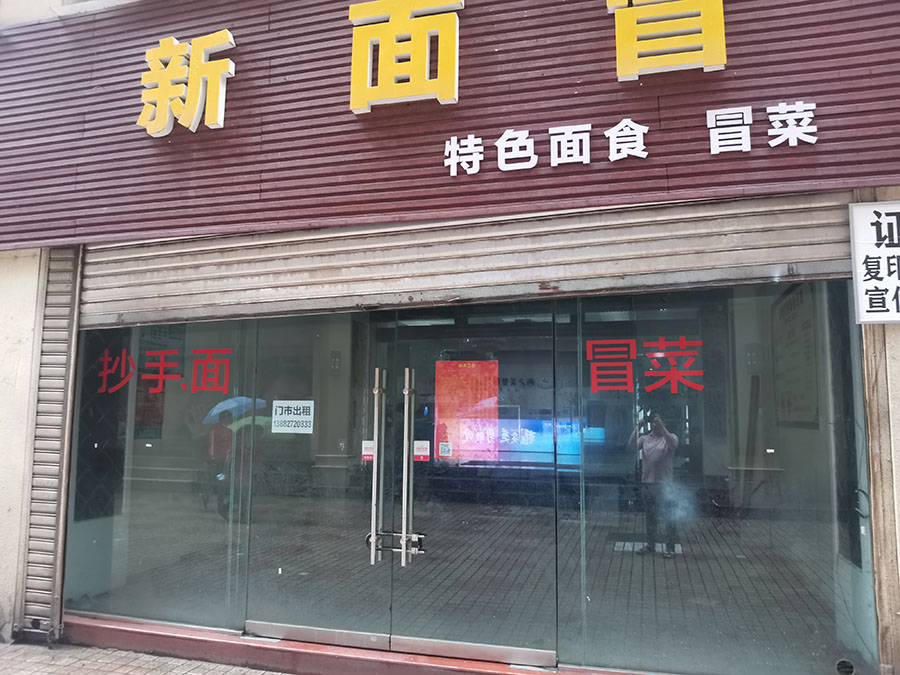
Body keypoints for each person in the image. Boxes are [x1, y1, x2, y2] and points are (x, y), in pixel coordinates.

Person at [629, 413, 679, 558]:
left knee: (669, 516)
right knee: (650, 516)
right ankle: (650, 545)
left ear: (664, 423)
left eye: (658, 422)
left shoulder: (670, 437)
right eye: (653, 422)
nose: (654, 424)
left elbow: (673, 444)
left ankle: (670, 547)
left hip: (665, 484)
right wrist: (638, 427)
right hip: (648, 483)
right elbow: (632, 445)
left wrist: (662, 427)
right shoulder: (645, 439)